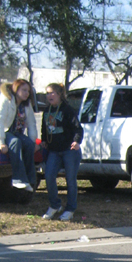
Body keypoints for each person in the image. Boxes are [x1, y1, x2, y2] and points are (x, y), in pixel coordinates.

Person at [40, 83, 84, 222]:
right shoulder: (47, 111)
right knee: (49, 176)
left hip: (69, 150)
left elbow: (78, 128)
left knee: (70, 180)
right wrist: (44, 140)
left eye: (52, 93)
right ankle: (55, 205)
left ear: (60, 94)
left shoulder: (67, 110)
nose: (49, 96)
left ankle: (70, 209)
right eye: (47, 93)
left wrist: (76, 141)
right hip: (54, 150)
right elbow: (44, 128)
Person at [0, 79, 38, 191]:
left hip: (15, 133)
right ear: (16, 89)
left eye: (28, 91)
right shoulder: (5, 100)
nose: (26, 93)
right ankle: (18, 180)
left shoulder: (26, 105)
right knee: (15, 142)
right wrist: (1, 142)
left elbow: (32, 124)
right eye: (24, 90)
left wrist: (34, 142)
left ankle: (30, 180)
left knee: (29, 144)